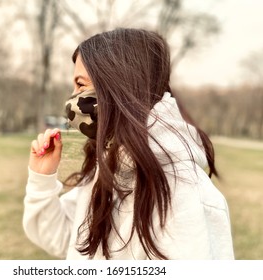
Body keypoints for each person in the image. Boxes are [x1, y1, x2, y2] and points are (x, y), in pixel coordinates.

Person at [23, 28, 234, 260]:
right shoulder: (107, 165)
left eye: (81, 86)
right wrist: (41, 179)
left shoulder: (185, 195)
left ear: (117, 86)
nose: (72, 98)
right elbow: (67, 240)